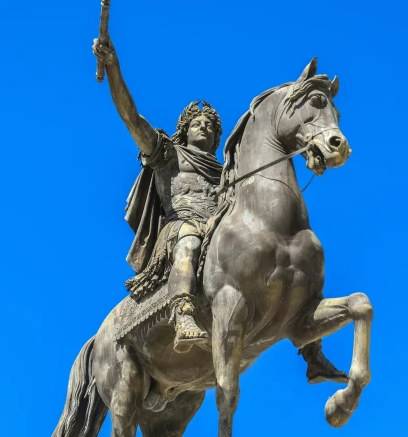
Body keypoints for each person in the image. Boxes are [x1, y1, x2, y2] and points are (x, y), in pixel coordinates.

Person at [92, 37, 346, 383]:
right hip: (182, 223)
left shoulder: (227, 171)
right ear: (184, 129)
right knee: (189, 240)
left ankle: (310, 347)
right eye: (197, 122)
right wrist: (114, 69)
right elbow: (131, 117)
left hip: (218, 226)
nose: (205, 127)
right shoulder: (167, 153)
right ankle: (183, 311)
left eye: (211, 126)